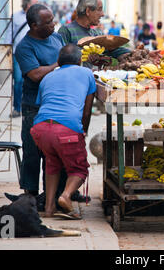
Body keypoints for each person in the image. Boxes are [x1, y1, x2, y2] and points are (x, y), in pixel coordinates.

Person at [14, 4, 86, 208]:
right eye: (48, 22)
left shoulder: (56, 38)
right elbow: (35, 74)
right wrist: (60, 65)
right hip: (34, 106)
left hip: (56, 104)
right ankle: (29, 195)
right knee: (32, 152)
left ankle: (52, 196)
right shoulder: (25, 47)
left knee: (54, 154)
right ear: (34, 26)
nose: (54, 25)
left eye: (53, 20)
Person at [30, 44, 95, 219]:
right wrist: (83, 132)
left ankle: (49, 209)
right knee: (80, 170)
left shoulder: (47, 77)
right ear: (80, 60)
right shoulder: (87, 74)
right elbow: (87, 111)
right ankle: (65, 196)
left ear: (58, 61)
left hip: (40, 129)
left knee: (52, 165)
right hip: (67, 129)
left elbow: (42, 103)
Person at [58, 0, 130, 69]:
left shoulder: (97, 33)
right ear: (88, 11)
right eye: (99, 9)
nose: (102, 14)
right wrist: (82, 57)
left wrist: (131, 53)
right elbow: (60, 60)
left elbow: (113, 49)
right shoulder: (66, 31)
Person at [8, 0, 38, 118]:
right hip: (17, 53)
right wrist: (7, 50)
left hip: (33, 54)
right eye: (35, 2)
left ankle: (29, 106)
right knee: (18, 80)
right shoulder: (16, 17)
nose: (37, 4)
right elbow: (9, 34)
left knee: (32, 80)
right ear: (28, 4)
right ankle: (17, 107)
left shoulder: (37, 17)